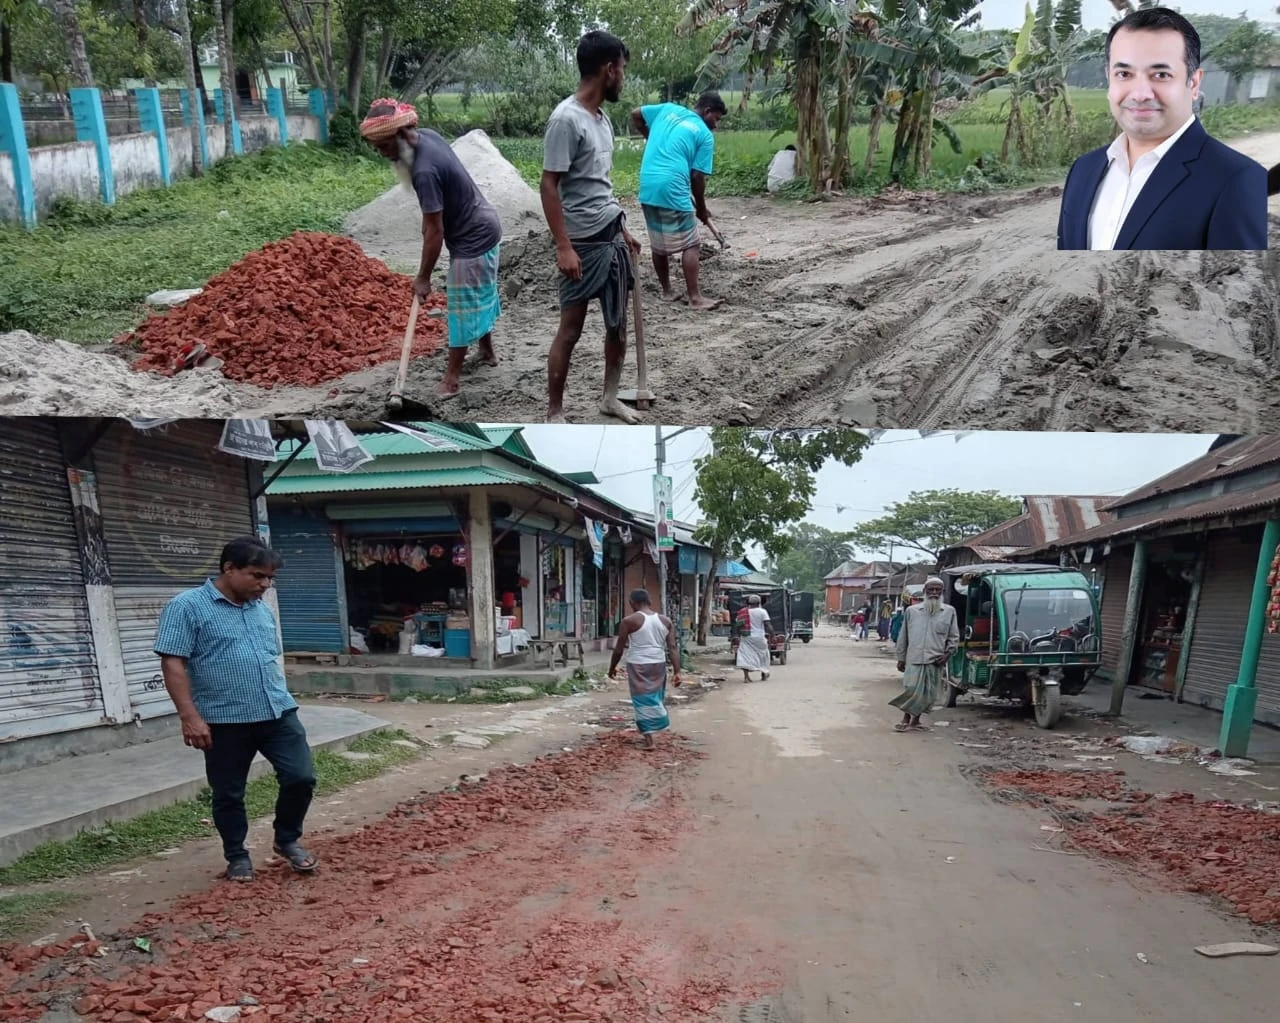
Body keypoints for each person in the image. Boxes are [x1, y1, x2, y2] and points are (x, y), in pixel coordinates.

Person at [154, 537, 317, 881]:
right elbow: (173, 663)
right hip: (224, 719)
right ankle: (237, 856)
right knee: (229, 792)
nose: (265, 585)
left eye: (270, 578)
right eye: (257, 576)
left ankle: (287, 840)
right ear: (229, 569)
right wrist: (189, 717)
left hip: (276, 711)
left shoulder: (260, 608)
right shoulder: (187, 606)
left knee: (301, 777)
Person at [1057, 8, 1267, 251]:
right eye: (1124, 74)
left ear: (1194, 83)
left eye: (1161, 74)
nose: (1140, 94)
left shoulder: (1237, 180)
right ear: (1109, 79)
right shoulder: (1083, 169)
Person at [359, 99, 503, 397]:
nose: (382, 154)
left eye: (384, 146)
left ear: (401, 136)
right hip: (483, 224)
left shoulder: (424, 171)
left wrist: (423, 277)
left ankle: (451, 380)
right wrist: (429, 233)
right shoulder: (426, 136)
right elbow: (432, 223)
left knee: (461, 307)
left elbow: (435, 231)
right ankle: (487, 353)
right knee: (478, 294)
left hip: (473, 236)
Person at [541, 30, 645, 425]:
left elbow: (600, 185)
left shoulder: (602, 121)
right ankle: (554, 412)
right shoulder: (565, 120)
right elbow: (549, 185)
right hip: (580, 245)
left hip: (610, 238)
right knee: (570, 330)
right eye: (623, 69)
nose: (624, 77)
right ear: (609, 69)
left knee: (617, 328)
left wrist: (622, 229)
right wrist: (563, 246)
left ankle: (609, 398)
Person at [629, 91, 727, 309]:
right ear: (707, 111)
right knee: (692, 244)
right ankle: (695, 298)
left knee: (658, 242)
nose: (716, 125)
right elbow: (697, 177)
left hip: (647, 184)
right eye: (716, 119)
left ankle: (667, 291)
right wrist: (702, 209)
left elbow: (636, 114)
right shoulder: (704, 134)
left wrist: (650, 136)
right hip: (672, 186)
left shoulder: (668, 109)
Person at [608, 589, 681, 750]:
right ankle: (653, 725)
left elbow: (619, 649)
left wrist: (612, 668)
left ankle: (649, 738)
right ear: (649, 601)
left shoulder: (628, 621)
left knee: (641, 699)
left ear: (632, 602)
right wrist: (677, 671)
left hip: (638, 663)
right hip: (658, 662)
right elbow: (673, 647)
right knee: (655, 695)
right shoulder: (665, 621)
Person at [891, 576, 959, 732]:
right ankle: (905, 718)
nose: (934, 593)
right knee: (911, 690)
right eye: (931, 589)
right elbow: (904, 636)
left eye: (937, 590)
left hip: (935, 660)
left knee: (928, 694)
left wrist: (947, 655)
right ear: (924, 592)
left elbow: (953, 637)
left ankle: (915, 720)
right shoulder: (912, 611)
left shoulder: (949, 612)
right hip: (913, 659)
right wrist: (901, 658)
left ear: (942, 591)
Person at [735, 594, 773, 682]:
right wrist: (773, 635)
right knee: (763, 655)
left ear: (748, 603)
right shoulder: (762, 611)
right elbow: (768, 624)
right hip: (759, 637)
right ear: (759, 603)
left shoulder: (743, 612)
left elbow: (738, 624)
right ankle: (764, 673)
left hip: (746, 636)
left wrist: (738, 634)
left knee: (745, 656)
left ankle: (746, 677)